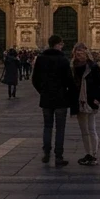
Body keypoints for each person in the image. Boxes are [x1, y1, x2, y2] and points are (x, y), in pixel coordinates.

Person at [32, 34, 76, 167]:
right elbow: (70, 81)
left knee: (47, 126)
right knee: (60, 128)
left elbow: (35, 80)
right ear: (58, 44)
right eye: (61, 44)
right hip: (61, 99)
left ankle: (46, 153)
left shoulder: (40, 59)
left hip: (46, 99)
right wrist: (69, 94)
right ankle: (58, 156)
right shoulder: (63, 60)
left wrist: (43, 91)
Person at [71, 43, 100, 166]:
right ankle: (88, 153)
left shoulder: (93, 67)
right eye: (77, 53)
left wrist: (97, 99)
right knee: (84, 131)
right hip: (79, 102)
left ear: (86, 53)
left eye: (81, 53)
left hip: (90, 101)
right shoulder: (73, 68)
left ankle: (94, 154)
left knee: (91, 129)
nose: (79, 56)